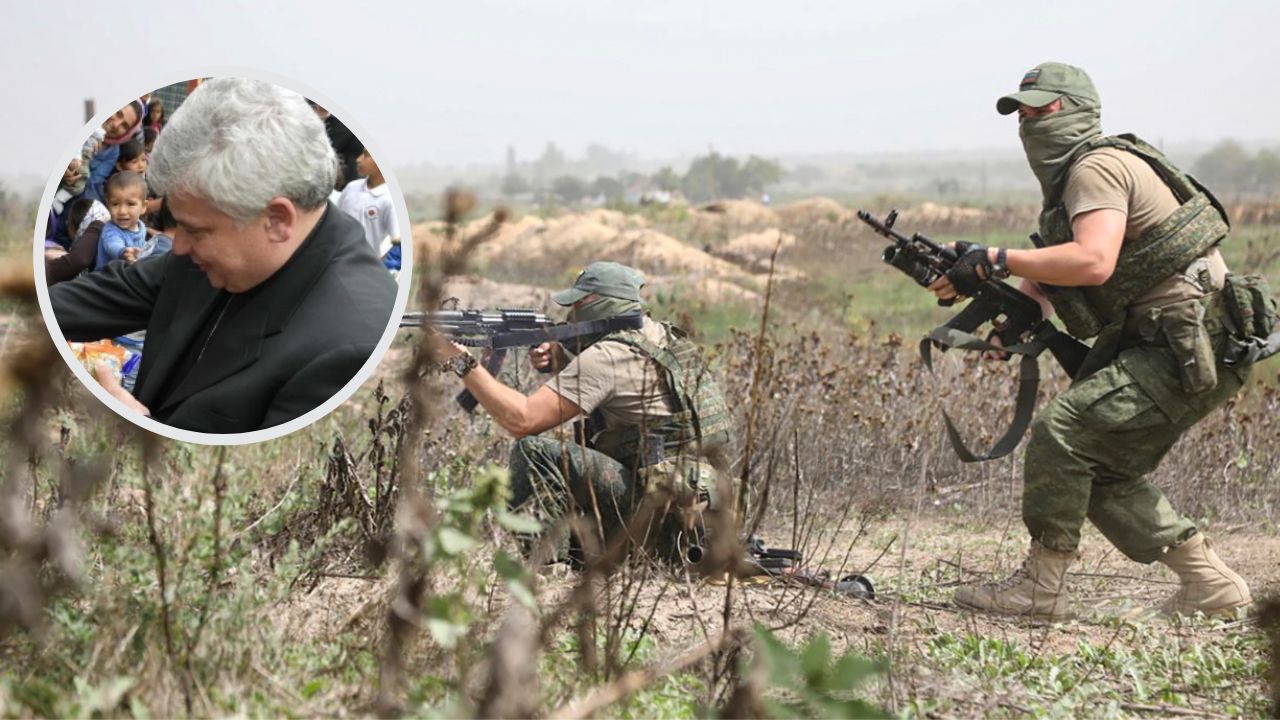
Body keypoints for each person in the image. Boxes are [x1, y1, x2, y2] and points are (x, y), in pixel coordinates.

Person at [930, 62, 1261, 620]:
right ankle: (1211, 586)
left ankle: (1042, 587)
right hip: (1182, 340)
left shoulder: (1096, 169)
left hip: (1188, 341)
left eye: (1044, 109)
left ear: (1078, 111)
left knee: (1063, 433)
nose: (1031, 122)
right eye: (1023, 113)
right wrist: (1015, 311)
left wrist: (994, 259)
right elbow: (1059, 274)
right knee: (1100, 468)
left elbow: (1093, 260)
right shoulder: (1079, 180)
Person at [50, 77, 397, 433]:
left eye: (196, 230)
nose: (179, 246)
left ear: (277, 221)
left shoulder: (348, 351)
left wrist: (135, 429)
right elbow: (89, 300)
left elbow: (263, 477)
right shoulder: (209, 252)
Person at [431, 262, 732, 559]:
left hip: (658, 524)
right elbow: (626, 391)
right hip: (699, 514)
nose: (570, 314)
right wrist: (562, 359)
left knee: (533, 452)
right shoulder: (664, 339)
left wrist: (462, 362)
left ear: (598, 305)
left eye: (577, 303)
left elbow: (523, 420)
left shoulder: (607, 357)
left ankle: (547, 565)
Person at [337, 148, 400, 254]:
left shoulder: (390, 199)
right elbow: (336, 222)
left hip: (370, 265)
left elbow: (397, 241)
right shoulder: (351, 188)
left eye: (366, 155)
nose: (358, 159)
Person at [94, 171, 148, 270]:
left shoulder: (141, 226)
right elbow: (112, 245)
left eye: (130, 204)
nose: (122, 211)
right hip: (106, 279)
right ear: (108, 206)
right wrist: (124, 252)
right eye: (115, 204)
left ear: (143, 207)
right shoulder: (110, 230)